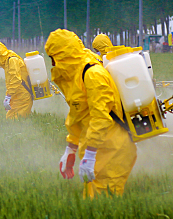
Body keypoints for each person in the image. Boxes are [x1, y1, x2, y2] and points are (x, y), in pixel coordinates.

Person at [45, 29, 137, 198]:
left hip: (112, 151)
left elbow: (101, 117)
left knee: (104, 207)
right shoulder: (76, 75)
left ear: (63, 55)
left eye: (53, 58)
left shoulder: (92, 74)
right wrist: (71, 148)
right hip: (99, 150)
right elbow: (79, 114)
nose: (52, 64)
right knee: (93, 203)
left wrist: (90, 154)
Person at [0, 41, 33, 119]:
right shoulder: (7, 62)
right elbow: (10, 83)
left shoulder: (12, 60)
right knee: (11, 120)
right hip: (17, 96)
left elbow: (16, 80)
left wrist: (8, 96)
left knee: (15, 121)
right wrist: (9, 99)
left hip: (23, 97)